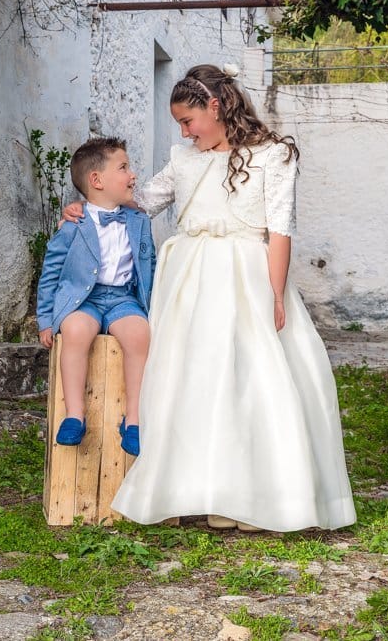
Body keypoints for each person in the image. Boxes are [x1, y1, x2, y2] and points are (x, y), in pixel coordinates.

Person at [63, 65, 356, 531]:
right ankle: (202, 490)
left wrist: (276, 296)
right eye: (179, 123)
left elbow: (279, 231)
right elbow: (142, 201)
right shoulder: (185, 160)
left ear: (216, 107)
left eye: (188, 121)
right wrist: (86, 206)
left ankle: (259, 496)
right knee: (194, 381)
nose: (183, 131)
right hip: (191, 276)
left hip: (246, 273)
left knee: (252, 380)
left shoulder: (273, 154)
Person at [37, 137, 156, 456]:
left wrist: (153, 308)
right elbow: (50, 271)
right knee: (75, 331)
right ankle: (75, 415)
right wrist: (46, 320)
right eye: (124, 167)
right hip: (82, 301)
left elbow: (150, 266)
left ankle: (133, 420)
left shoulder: (139, 220)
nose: (132, 174)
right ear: (96, 180)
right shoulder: (74, 222)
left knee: (139, 334)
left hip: (122, 298)